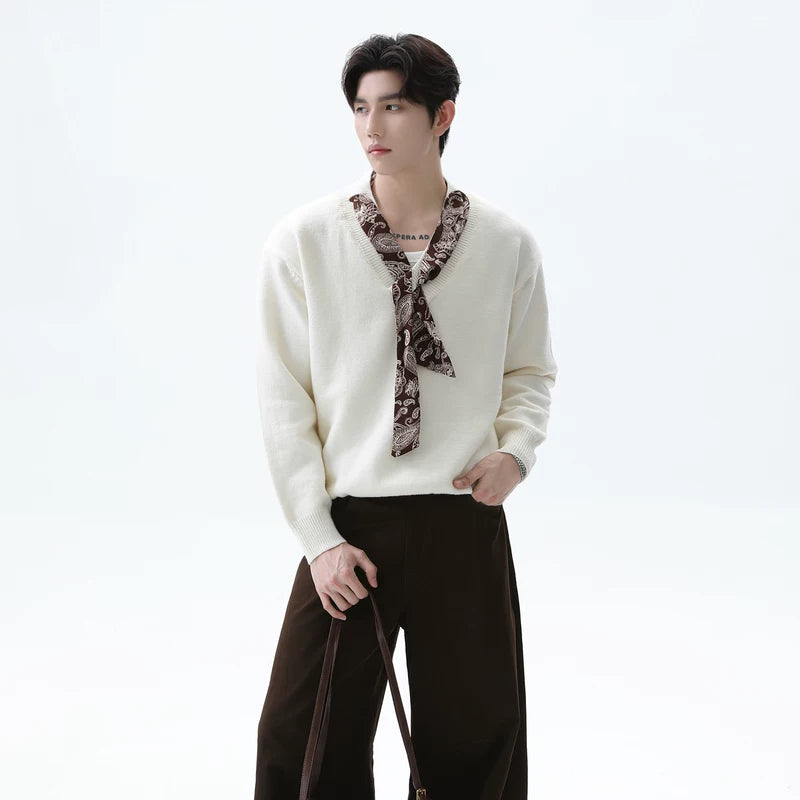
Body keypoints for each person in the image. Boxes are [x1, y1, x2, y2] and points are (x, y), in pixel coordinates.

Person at [253, 32, 558, 800]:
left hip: (464, 516)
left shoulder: (505, 245)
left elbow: (529, 371)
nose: (371, 127)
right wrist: (319, 539)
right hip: (354, 525)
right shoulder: (305, 242)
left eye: (392, 107)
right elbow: (284, 399)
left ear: (442, 115)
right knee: (302, 740)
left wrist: (516, 452)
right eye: (360, 108)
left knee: (477, 743)